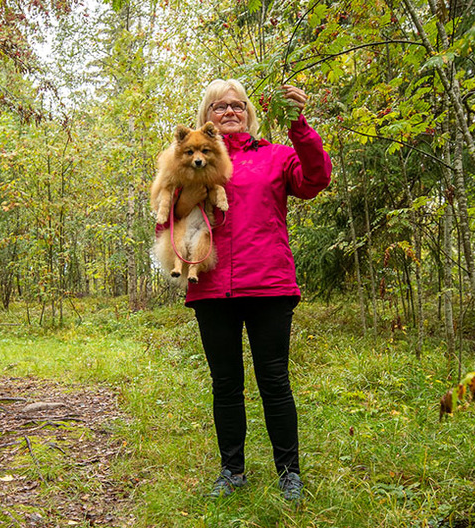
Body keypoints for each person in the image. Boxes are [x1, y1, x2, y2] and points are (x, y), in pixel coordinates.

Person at [171, 79, 332, 500]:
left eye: (237, 105)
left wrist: (299, 126)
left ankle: (289, 473)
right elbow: (169, 212)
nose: (229, 111)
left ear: (249, 111)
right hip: (210, 285)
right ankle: (232, 471)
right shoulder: (190, 159)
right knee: (225, 383)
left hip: (269, 284)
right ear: (206, 114)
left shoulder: (275, 156)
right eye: (219, 106)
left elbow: (316, 179)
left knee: (274, 380)